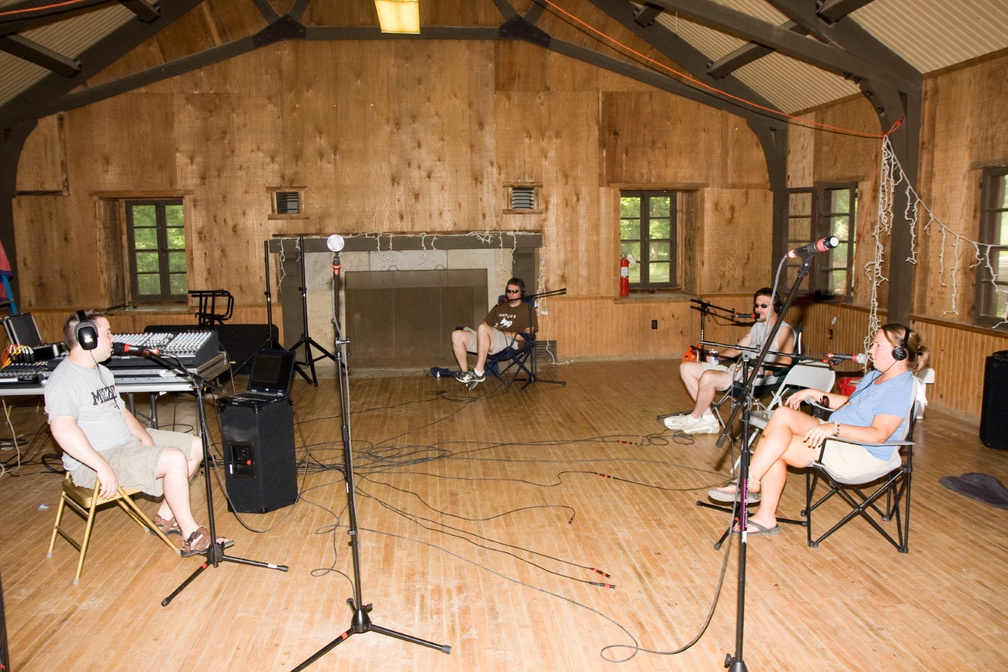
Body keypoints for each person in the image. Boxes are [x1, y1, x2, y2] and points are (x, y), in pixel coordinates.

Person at [708, 323, 930, 536]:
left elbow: (878, 435)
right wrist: (813, 393)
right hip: (839, 436)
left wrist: (834, 428)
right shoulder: (876, 376)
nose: (870, 350)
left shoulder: (898, 389)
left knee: (776, 447)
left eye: (877, 345)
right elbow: (852, 404)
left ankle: (757, 498)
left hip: (861, 453)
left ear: (899, 353)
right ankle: (752, 482)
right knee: (782, 414)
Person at [44, 310, 230, 557]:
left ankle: (165, 517)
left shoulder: (101, 372)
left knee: (195, 445)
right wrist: (101, 466)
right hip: (97, 460)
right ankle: (191, 535)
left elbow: (120, 410)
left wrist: (144, 437)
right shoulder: (65, 380)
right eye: (108, 333)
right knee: (174, 458)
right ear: (87, 338)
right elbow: (62, 429)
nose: (113, 338)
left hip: (125, 444)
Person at [665, 288, 795, 434]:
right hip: (739, 370)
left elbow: (785, 362)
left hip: (759, 378)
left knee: (708, 377)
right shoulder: (758, 326)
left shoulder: (784, 331)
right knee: (687, 367)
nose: (758, 309)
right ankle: (708, 419)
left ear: (777, 308)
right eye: (756, 305)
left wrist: (758, 370)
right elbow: (736, 350)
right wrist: (719, 356)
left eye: (764, 306)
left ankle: (693, 419)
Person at [452, 277, 538, 389]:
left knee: (483, 328)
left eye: (515, 291)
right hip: (490, 339)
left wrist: (499, 333)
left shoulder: (527, 309)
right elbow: (484, 327)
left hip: (510, 343)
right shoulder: (499, 307)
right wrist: (488, 333)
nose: (511, 294)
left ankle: (479, 372)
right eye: (508, 291)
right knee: (457, 335)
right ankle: (467, 375)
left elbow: (526, 336)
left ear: (522, 292)